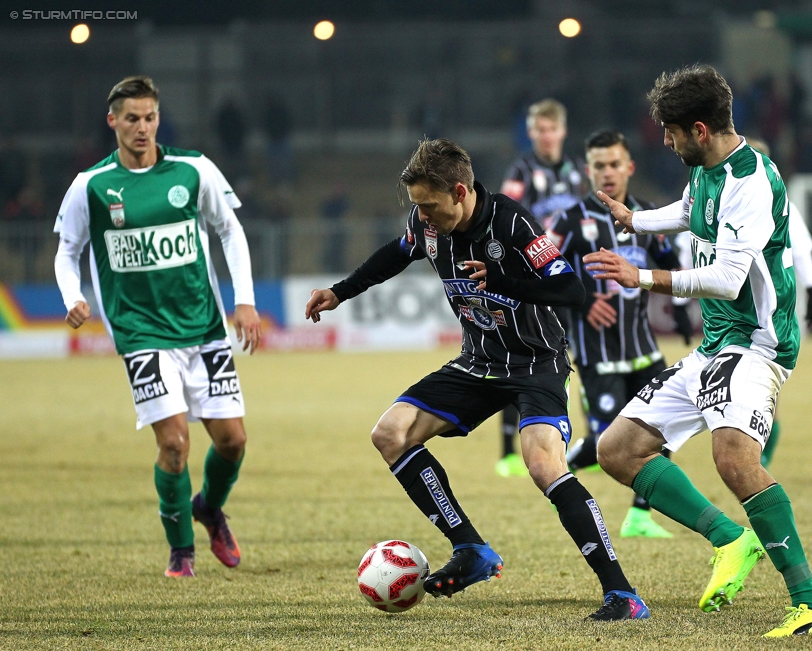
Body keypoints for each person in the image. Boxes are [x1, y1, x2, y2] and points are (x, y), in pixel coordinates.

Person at [305, 138, 649, 621]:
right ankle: (470, 548)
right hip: (478, 361)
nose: (422, 217)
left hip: (535, 362)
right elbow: (394, 254)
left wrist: (503, 279)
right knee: (390, 433)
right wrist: (340, 292)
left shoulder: (511, 222)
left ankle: (621, 593)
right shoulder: (425, 226)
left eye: (429, 206)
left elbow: (569, 288)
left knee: (542, 463)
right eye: (416, 207)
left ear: (461, 192)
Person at [583, 65, 812, 637]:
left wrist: (640, 275)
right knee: (618, 449)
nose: (667, 143)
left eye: (672, 133)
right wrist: (635, 219)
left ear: (699, 129)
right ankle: (731, 539)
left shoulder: (750, 181)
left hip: (757, 344)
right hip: (717, 343)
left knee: (734, 460)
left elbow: (726, 278)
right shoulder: (708, 170)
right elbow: (688, 212)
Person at [53, 76, 262, 578]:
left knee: (233, 441)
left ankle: (209, 507)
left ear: (157, 118)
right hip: (140, 331)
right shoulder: (92, 185)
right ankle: (182, 551)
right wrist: (74, 296)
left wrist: (245, 301)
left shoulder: (193, 169)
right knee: (173, 444)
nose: (142, 128)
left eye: (149, 118)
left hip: (203, 326)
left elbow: (229, 231)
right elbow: (67, 250)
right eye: (131, 119)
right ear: (113, 122)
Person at [548, 129, 692, 539]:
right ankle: (569, 462)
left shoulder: (647, 216)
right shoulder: (568, 222)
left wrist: (681, 311)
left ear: (628, 167)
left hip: (644, 350)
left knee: (660, 432)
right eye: (599, 166)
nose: (607, 173)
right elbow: (542, 277)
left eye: (614, 164)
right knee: (608, 439)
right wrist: (579, 301)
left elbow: (672, 265)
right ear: (588, 171)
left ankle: (640, 516)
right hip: (597, 354)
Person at [495, 98, 588, 478]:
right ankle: (508, 453)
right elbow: (503, 219)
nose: (547, 136)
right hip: (531, 283)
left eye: (552, 129)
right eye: (540, 130)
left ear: (562, 131)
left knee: (567, 359)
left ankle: (570, 441)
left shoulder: (579, 173)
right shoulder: (521, 170)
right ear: (531, 132)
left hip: (565, 280)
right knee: (518, 359)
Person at [744, 137, 812, 467]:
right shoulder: (724, 198)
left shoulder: (781, 201)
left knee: (765, 391)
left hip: (773, 309)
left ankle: (760, 458)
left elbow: (800, 248)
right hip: (734, 308)